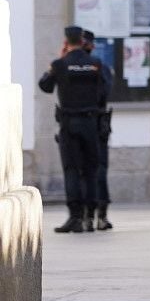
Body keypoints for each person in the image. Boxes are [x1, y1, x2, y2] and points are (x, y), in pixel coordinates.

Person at [39, 25, 107, 233]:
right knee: (91, 170)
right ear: (83, 41)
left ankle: (75, 217)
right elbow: (103, 93)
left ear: (66, 42)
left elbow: (45, 86)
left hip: (69, 124)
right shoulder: (95, 64)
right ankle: (90, 215)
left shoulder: (60, 64)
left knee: (71, 170)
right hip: (90, 124)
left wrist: (55, 65)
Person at [82, 29, 115, 230]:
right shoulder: (99, 67)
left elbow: (104, 92)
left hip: (95, 124)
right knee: (89, 171)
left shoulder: (98, 66)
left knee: (97, 171)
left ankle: (98, 214)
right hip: (94, 123)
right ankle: (90, 215)